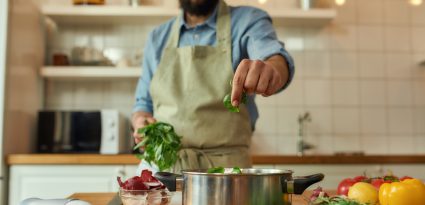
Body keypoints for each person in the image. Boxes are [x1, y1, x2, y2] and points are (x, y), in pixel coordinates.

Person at [132, 0, 294, 172]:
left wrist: (273, 69)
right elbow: (143, 105)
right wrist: (140, 121)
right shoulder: (157, 37)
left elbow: (274, 58)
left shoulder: (248, 20)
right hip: (163, 170)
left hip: (229, 173)